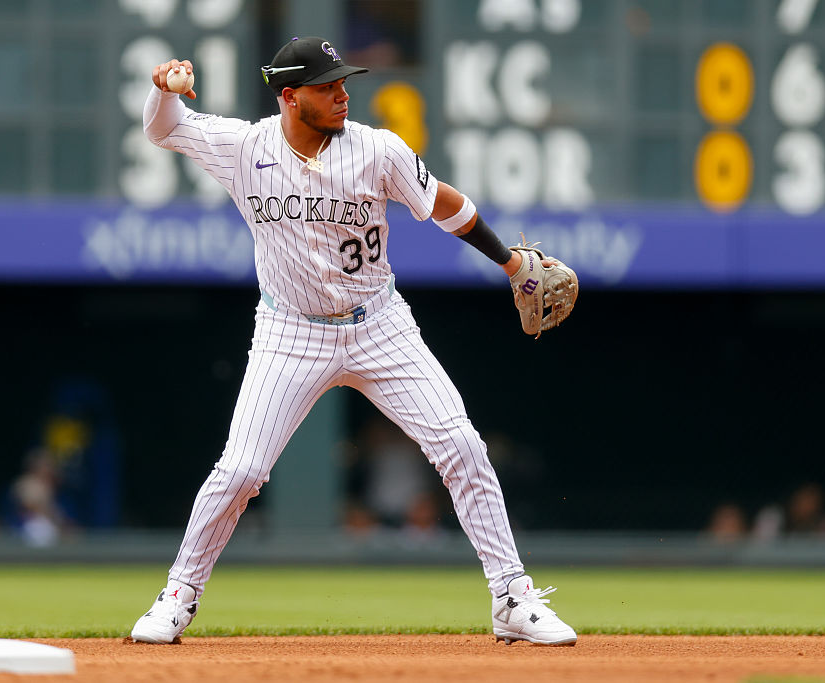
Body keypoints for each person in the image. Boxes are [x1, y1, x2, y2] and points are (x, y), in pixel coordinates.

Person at [130, 36, 576, 647]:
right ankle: (177, 596)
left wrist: (508, 263)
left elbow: (446, 205)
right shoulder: (244, 147)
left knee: (464, 449)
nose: (343, 93)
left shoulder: (376, 148)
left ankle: (512, 598)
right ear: (289, 96)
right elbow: (162, 130)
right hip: (289, 331)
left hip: (380, 326)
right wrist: (161, 88)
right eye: (327, 85)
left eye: (344, 82)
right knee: (240, 471)